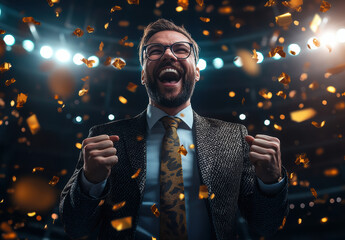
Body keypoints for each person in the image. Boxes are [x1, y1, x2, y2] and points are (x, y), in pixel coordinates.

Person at [59, 18, 288, 240]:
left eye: (180, 49)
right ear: (142, 75)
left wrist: (270, 183)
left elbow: (267, 226)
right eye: (155, 51)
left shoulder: (234, 137)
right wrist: (91, 182)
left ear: (197, 72)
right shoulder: (105, 138)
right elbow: (75, 226)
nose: (169, 54)